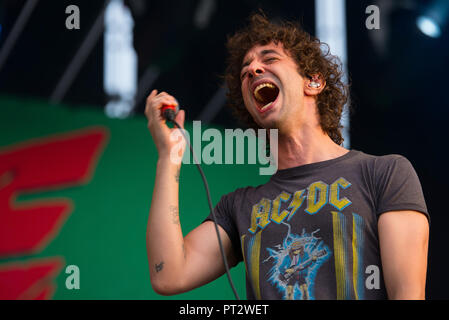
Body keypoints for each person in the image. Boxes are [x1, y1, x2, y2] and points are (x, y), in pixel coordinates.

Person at [144, 13, 429, 300]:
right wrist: (169, 157)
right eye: (246, 70)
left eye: (269, 59)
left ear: (313, 82)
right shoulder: (239, 206)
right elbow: (168, 274)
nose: (253, 69)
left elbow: (408, 294)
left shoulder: (384, 173)